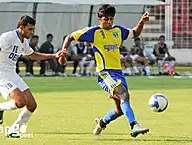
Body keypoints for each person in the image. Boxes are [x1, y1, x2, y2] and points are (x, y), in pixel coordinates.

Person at [59, 4, 149, 137]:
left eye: (111, 19)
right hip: (105, 72)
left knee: (120, 109)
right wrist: (64, 51)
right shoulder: (93, 32)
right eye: (106, 19)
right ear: (99, 19)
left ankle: (102, 123)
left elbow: (135, 33)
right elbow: (70, 36)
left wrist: (141, 22)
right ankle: (134, 125)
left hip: (118, 72)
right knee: (124, 94)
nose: (109, 22)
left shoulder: (118, 31)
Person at [0, 15, 65, 138]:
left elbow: (32, 55)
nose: (32, 32)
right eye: (30, 29)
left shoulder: (23, 41)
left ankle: (14, 129)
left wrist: (54, 55)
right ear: (21, 27)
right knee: (20, 102)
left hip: (13, 74)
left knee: (32, 105)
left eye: (33, 29)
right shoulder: (8, 36)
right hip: (1, 75)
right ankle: (0, 107)